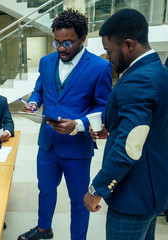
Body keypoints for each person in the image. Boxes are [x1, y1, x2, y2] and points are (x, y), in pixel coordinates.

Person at [18, 9, 112, 240]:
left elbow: (103, 107)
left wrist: (78, 124)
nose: (60, 48)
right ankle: (43, 229)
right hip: (48, 143)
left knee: (79, 200)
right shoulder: (46, 62)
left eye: (67, 43)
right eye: (57, 42)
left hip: (77, 147)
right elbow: (40, 90)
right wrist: (33, 102)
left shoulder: (100, 67)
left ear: (82, 39)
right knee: (45, 191)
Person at [84, 9, 168, 240]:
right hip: (154, 190)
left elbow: (130, 148)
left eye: (109, 51)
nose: (108, 58)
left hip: (133, 195)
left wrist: (96, 189)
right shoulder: (160, 72)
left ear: (129, 45)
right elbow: (150, 127)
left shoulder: (139, 81)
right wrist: (112, 130)